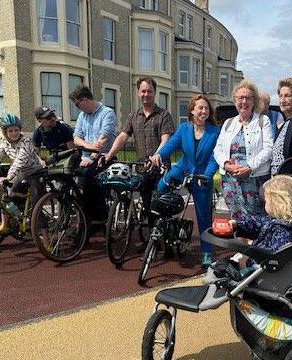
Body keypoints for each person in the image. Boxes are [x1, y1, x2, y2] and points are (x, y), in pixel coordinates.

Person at [149, 94, 220, 268]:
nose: (203, 111)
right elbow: (171, 145)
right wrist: (159, 155)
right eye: (200, 108)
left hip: (202, 175)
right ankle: (167, 227)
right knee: (160, 189)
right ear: (192, 111)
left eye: (206, 108)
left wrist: (208, 175)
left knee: (203, 215)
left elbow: (214, 157)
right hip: (183, 168)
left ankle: (206, 252)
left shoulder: (214, 132)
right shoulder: (184, 129)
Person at [102, 77, 175, 222]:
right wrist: (109, 155)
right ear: (138, 93)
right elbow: (122, 137)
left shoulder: (163, 115)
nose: (146, 94)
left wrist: (156, 156)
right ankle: (149, 240)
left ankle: (165, 239)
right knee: (147, 206)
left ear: (155, 93)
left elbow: (165, 139)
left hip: (161, 168)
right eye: (143, 91)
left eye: (149, 91)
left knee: (161, 206)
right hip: (143, 168)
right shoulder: (133, 116)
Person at [0, 114, 45, 241]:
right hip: (21, 172)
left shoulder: (26, 142)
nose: (14, 133)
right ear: (5, 132)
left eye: (16, 130)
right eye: (10, 131)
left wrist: (9, 177)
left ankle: (46, 236)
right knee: (6, 195)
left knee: (36, 204)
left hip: (35, 172)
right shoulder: (5, 144)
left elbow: (19, 161)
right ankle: (5, 225)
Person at [226, 175, 292, 274]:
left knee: (224, 268)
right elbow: (258, 222)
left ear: (276, 203)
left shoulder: (285, 231)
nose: (264, 204)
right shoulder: (289, 221)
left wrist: (249, 250)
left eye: (266, 201)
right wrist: (238, 223)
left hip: (264, 272)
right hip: (265, 265)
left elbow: (273, 257)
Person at [213, 80, 273, 219]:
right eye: (240, 98)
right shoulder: (228, 123)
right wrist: (226, 165)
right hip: (230, 180)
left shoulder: (263, 121)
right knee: (236, 218)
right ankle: (239, 241)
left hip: (254, 179)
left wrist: (250, 167)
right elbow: (218, 149)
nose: (244, 101)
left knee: (256, 219)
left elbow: (268, 148)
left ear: (254, 101)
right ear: (235, 101)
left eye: (248, 98)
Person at [70, 85, 117, 224]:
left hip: (104, 157)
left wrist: (92, 156)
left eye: (78, 105)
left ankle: (94, 218)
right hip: (86, 157)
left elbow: (104, 139)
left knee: (89, 176)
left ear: (85, 100)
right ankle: (80, 213)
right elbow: (76, 138)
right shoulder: (82, 116)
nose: (78, 108)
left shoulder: (107, 113)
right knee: (70, 176)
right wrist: (88, 146)